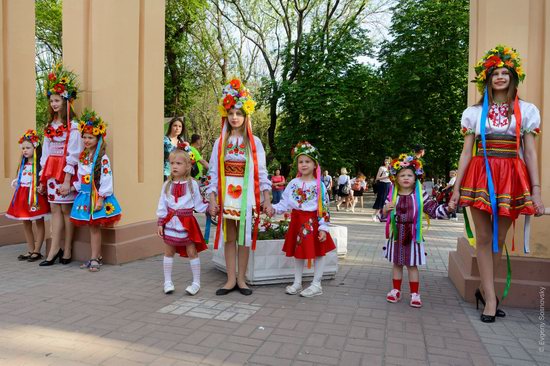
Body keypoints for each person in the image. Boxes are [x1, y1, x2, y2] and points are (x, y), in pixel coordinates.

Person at [449, 45, 545, 323]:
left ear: (513, 77)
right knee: (483, 237)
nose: (500, 77)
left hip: (512, 176)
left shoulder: (526, 111)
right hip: (481, 173)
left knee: (498, 239)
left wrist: (536, 191)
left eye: (505, 72)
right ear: (487, 79)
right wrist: (456, 190)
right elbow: (467, 152)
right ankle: (491, 298)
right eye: (495, 73)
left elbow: (529, 152)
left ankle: (483, 288)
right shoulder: (474, 112)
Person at [207, 78, 272, 296]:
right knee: (229, 237)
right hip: (227, 197)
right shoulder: (220, 142)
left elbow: (261, 172)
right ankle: (230, 279)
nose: (235, 117)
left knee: (244, 238)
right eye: (231, 113)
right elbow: (214, 173)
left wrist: (266, 198)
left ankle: (242, 280)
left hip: (247, 198)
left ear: (246, 116)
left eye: (239, 113)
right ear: (226, 115)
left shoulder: (255, 142)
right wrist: (213, 199)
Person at [383, 154, 451, 308]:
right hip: (396, 234)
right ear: (396, 178)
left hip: (413, 234)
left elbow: (432, 209)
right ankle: (396, 290)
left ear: (416, 178)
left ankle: (415, 293)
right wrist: (385, 210)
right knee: (397, 264)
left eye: (409, 175)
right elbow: (383, 214)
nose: (406, 178)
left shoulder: (420, 194)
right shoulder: (392, 193)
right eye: (402, 175)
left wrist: (447, 209)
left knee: (412, 264)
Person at [269, 141, 336, 297]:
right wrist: (273, 209)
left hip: (313, 222)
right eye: (300, 162)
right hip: (297, 221)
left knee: (319, 252)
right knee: (297, 251)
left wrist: (323, 227)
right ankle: (297, 282)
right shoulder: (293, 183)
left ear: (314, 164)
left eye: (307, 161)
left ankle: (316, 284)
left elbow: (324, 207)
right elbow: (284, 203)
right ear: (296, 164)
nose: (304, 164)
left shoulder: (319, 185)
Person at [37, 63, 83, 266]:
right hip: (51, 172)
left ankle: (68, 248)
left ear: (66, 102)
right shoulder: (49, 127)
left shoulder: (73, 126)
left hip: (65, 173)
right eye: (52, 101)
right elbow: (45, 154)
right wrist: (41, 178)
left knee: (66, 210)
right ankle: (54, 249)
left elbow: (74, 154)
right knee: (55, 208)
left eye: (57, 100)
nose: (54, 104)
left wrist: (67, 180)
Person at [69, 110, 122, 271]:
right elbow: (80, 178)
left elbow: (106, 179)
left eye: (90, 137)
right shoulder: (83, 156)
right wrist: (73, 187)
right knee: (90, 228)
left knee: (94, 228)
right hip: (84, 196)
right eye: (84, 137)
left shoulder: (102, 158)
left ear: (98, 139)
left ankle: (95, 258)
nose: (86, 140)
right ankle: (95, 256)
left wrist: (100, 199)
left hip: (96, 197)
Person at [157, 148, 209, 295]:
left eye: (179, 163)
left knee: (192, 251)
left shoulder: (192, 184)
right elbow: (162, 204)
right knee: (168, 251)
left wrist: (210, 208)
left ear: (188, 166)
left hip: (187, 223)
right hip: (171, 222)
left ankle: (196, 282)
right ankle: (167, 281)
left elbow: (199, 204)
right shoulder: (166, 185)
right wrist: (161, 222)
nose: (174, 166)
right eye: (172, 163)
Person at [6, 130, 50, 262]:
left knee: (39, 222)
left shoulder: (40, 165)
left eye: (28, 147)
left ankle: (37, 250)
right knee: (25, 222)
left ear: (35, 148)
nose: (25, 150)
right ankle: (30, 249)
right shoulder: (23, 164)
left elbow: (43, 179)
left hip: (35, 197)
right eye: (23, 148)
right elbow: (20, 177)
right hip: (23, 196)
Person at [372, 157, 391, 221]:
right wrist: (387, 176)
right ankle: (375, 214)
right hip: (383, 185)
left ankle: (383, 216)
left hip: (390, 185)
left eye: (388, 161)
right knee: (381, 199)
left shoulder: (392, 168)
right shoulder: (381, 168)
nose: (387, 162)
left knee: (388, 200)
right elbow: (377, 178)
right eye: (385, 161)